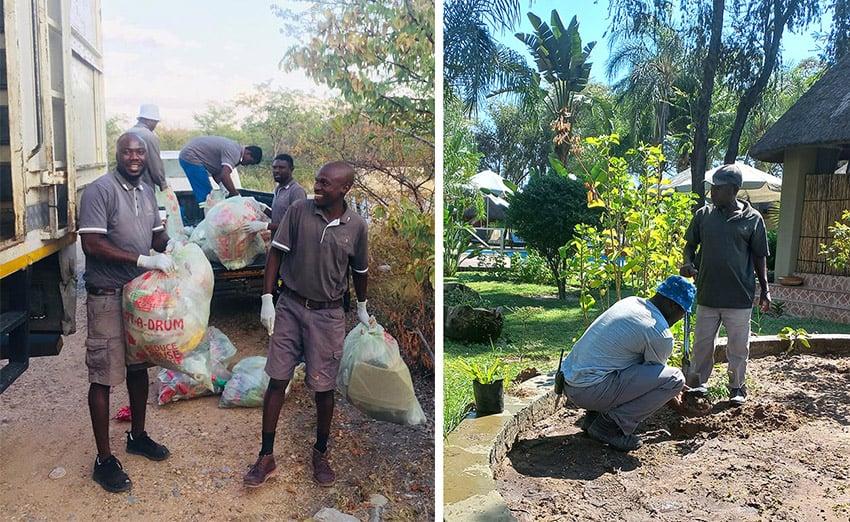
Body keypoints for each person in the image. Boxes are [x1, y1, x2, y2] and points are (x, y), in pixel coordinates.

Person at [243, 161, 370, 488]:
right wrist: (267, 298)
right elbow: (275, 254)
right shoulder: (299, 211)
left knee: (323, 388)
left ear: (344, 189)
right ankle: (265, 456)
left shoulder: (356, 226)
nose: (318, 187)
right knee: (277, 379)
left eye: (325, 184)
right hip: (291, 307)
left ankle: (320, 452)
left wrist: (363, 307)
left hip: (328, 316)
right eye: (317, 181)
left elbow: (359, 272)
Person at [78, 133, 175, 492]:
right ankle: (104, 459)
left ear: (147, 156)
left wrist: (175, 245)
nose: (134, 157)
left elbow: (156, 236)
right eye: (127, 152)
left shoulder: (147, 190)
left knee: (139, 368)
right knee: (103, 374)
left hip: (139, 296)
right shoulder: (100, 190)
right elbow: (92, 242)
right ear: (116, 154)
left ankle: (137, 436)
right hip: (106, 294)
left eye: (140, 152)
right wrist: (142, 259)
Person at [560, 275, 696, 451]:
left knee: (618, 360)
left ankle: (593, 418)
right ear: (673, 305)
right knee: (676, 378)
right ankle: (610, 427)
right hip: (590, 390)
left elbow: (644, 374)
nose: (681, 317)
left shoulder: (631, 302)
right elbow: (660, 380)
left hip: (570, 383)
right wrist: (680, 405)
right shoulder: (658, 332)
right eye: (683, 313)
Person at [679, 163, 771, 405]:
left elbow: (759, 256)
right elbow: (690, 246)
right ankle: (697, 385)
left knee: (738, 347)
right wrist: (688, 263)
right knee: (702, 345)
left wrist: (765, 290)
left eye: (716, 189)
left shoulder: (753, 219)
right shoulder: (704, 216)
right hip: (708, 295)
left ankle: (737, 387)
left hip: (739, 297)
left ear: (732, 189)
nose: (711, 193)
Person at [178, 136, 262, 206]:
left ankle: (207, 213)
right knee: (206, 195)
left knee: (208, 195)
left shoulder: (235, 150)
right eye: (250, 162)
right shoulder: (235, 153)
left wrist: (223, 188)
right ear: (248, 153)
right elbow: (225, 175)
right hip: (191, 156)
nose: (247, 165)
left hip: (191, 153)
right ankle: (205, 217)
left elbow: (217, 172)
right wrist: (236, 195)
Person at [241, 153, 307, 236]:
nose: (277, 171)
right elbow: (280, 217)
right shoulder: (278, 189)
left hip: (289, 244)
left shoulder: (296, 191)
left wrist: (266, 226)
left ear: (291, 169)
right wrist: (262, 208)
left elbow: (297, 225)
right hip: (277, 240)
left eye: (281, 168)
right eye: (274, 167)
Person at [127, 104, 167, 191]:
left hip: (124, 184)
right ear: (149, 120)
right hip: (143, 185)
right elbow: (155, 164)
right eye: (155, 122)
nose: (155, 125)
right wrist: (163, 184)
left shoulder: (126, 134)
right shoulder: (149, 137)